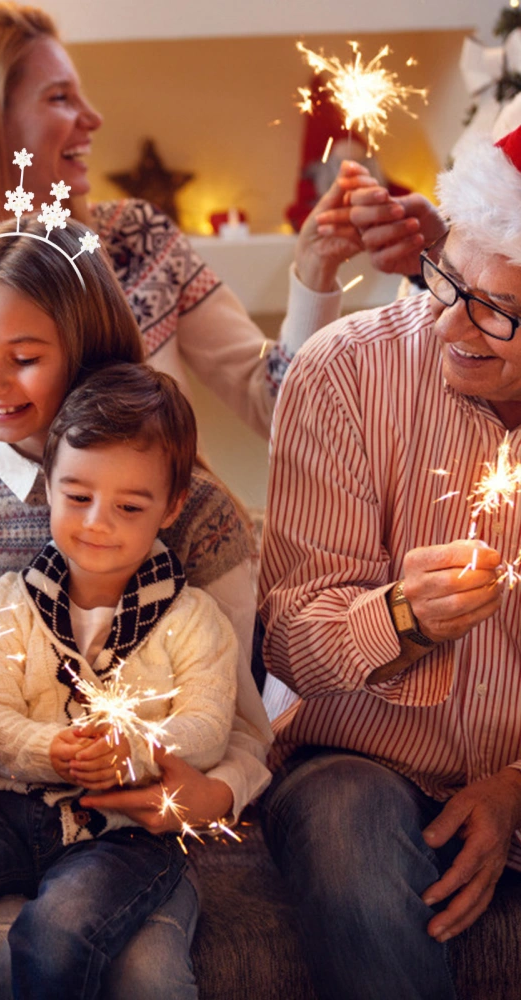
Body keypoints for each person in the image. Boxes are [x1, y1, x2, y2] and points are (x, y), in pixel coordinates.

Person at [0, 215, 272, 998]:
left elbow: (243, 731)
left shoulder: (195, 516)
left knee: (147, 979)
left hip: (141, 831)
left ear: (86, 352)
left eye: (24, 359)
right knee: (10, 957)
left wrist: (211, 792)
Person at [0, 1, 361, 515]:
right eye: (60, 98)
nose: (92, 118)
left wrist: (316, 270)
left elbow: (283, 410)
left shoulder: (136, 241)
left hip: (179, 577)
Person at [258, 121, 521, 1000]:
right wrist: (400, 617)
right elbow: (288, 639)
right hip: (357, 764)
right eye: (451, 277)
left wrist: (516, 790)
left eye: (498, 310)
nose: (452, 321)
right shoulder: (343, 373)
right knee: (346, 822)